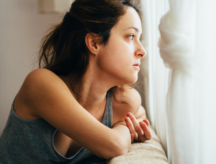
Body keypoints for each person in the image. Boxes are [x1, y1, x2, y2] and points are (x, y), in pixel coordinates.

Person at [0, 0, 152, 163]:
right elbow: (115, 145)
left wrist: (128, 125)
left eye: (139, 38)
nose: (142, 51)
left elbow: (140, 116)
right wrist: (123, 128)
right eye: (131, 36)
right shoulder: (40, 83)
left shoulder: (123, 102)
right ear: (94, 43)